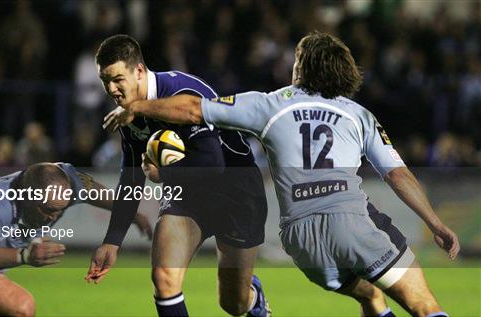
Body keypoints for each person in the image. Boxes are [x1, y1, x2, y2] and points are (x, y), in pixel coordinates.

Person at [116, 32, 460, 317]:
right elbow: (397, 174)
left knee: (370, 294)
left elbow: (192, 109)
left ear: (303, 68)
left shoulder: (270, 104)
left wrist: (137, 107)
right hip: (352, 222)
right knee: (423, 306)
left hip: (302, 241)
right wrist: (436, 224)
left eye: (296, 60)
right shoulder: (359, 115)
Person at [88, 34, 270, 317]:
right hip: (187, 194)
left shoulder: (180, 91)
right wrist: (112, 240)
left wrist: (165, 172)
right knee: (164, 279)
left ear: (138, 71)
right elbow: (132, 176)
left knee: (233, 304)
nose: (111, 89)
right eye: (105, 81)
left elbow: (213, 164)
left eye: (117, 79)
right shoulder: (127, 114)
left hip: (236, 191)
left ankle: (253, 299)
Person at [0, 162, 151, 316]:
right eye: (48, 210)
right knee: (21, 308)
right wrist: (24, 255)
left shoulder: (63, 181)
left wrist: (130, 214)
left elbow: (91, 190)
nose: (53, 217)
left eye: (61, 211)